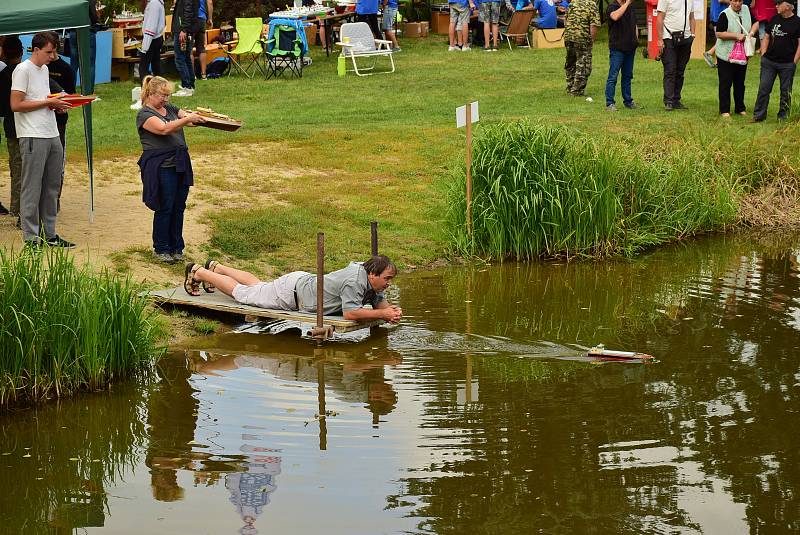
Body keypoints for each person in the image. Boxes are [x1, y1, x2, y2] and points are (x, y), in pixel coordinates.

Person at [184, 255, 404, 323]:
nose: (388, 283)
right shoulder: (355, 281)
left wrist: (389, 312)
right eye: (387, 278)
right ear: (373, 274)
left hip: (298, 285)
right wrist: (383, 314)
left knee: (258, 286)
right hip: (292, 295)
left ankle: (217, 267)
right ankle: (199, 272)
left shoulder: (369, 277)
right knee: (243, 294)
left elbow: (379, 302)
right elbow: (351, 313)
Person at [9, 31, 75, 249]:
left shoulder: (44, 69)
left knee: (51, 186)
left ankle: (50, 233)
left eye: (54, 51)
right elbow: (16, 104)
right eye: (48, 51)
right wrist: (48, 103)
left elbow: (40, 98)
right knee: (32, 186)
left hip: (51, 132)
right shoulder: (22, 69)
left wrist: (55, 101)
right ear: (35, 49)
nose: (52, 56)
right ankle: (31, 236)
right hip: (32, 134)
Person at [135, 75, 205, 263]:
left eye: (168, 96)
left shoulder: (171, 108)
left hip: (180, 162)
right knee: (165, 206)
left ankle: (176, 247)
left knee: (179, 206)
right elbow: (164, 129)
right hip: (162, 165)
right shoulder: (144, 114)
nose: (166, 99)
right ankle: (161, 248)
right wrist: (187, 118)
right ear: (150, 93)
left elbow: (187, 120)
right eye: (162, 95)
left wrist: (199, 118)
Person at [752, 0, 800, 122]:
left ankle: (783, 117)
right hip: (769, 62)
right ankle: (759, 115)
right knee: (764, 88)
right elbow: (767, 36)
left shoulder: (797, 22)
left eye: (779, 3)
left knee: (785, 91)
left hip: (787, 64)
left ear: (788, 6)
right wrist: (763, 55)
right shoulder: (775, 19)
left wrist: (794, 61)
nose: (776, 6)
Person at [715, 0, 758, 116]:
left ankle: (740, 108)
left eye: (739, 0)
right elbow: (719, 34)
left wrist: (751, 33)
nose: (737, 3)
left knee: (740, 82)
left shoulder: (746, 9)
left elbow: (756, 23)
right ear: (730, 1)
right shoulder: (724, 14)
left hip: (742, 53)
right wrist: (736, 36)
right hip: (726, 54)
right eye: (734, 0)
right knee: (726, 82)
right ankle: (724, 110)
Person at [656, 0, 696, 110]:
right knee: (670, 70)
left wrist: (692, 34)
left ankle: (676, 100)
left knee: (680, 70)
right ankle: (668, 101)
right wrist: (660, 40)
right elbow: (659, 17)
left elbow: (692, 17)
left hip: (685, 38)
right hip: (669, 38)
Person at [0, 37, 24, 219]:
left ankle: (16, 207)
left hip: (11, 127)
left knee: (16, 169)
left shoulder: (3, 75)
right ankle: (22, 207)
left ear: (3, 53)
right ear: (22, 51)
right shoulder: (26, 72)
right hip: (28, 126)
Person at [605, 0, 640, 111]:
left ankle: (628, 101)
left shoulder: (630, 7)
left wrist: (636, 39)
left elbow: (634, 24)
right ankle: (610, 102)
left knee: (627, 76)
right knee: (613, 76)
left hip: (630, 47)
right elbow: (615, 17)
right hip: (617, 48)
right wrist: (626, 4)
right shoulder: (612, 6)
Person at [563, 0, 600, 97]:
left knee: (570, 62)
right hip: (582, 38)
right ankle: (576, 91)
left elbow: (565, 20)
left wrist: (570, 32)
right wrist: (592, 40)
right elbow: (593, 25)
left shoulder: (572, 3)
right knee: (583, 64)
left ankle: (570, 86)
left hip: (569, 37)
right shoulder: (592, 5)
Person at [172, 0, 199, 97]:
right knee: (186, 58)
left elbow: (188, 11)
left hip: (183, 31)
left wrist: (183, 29)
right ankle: (190, 86)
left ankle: (187, 86)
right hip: (187, 30)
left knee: (180, 58)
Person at [139, 0, 166, 86]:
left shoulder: (154, 4)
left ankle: (145, 91)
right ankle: (161, 88)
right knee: (156, 66)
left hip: (151, 39)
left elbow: (151, 26)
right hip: (156, 38)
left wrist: (145, 46)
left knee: (143, 67)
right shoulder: (157, 3)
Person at [704, 0, 730, 67]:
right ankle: (709, 53)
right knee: (721, 38)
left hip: (718, 13)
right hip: (719, 14)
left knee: (720, 39)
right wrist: (732, 2)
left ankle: (717, 61)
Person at [192, 0, 212, 80]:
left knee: (189, 49)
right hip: (202, 19)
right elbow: (210, 3)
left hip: (191, 19)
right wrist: (210, 18)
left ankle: (192, 75)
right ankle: (204, 74)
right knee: (201, 48)